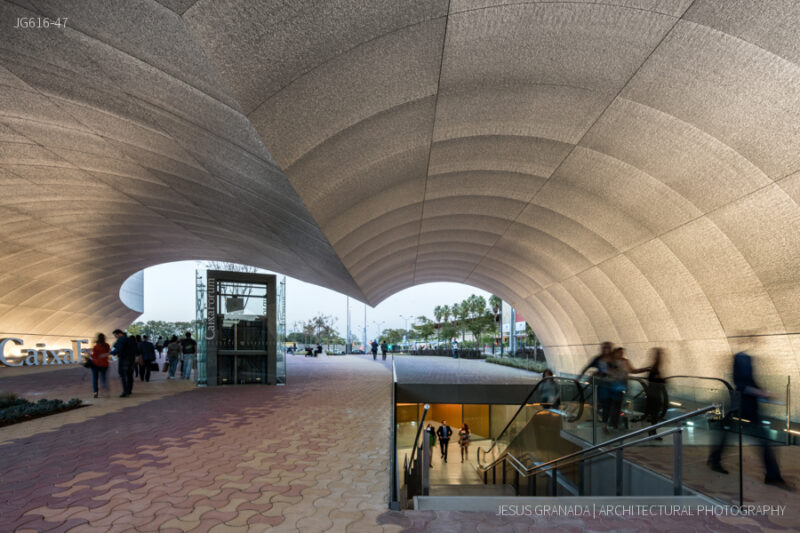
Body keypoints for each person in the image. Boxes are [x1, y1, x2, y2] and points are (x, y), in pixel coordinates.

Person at [708, 348, 791, 489]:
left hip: (748, 407)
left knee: (730, 434)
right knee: (760, 440)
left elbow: (751, 383)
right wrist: (761, 393)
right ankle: (772, 475)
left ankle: (715, 459)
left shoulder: (746, 358)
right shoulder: (740, 358)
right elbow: (741, 385)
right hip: (742, 407)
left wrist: (763, 393)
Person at [644, 348, 667, 439]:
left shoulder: (655, 367)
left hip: (654, 394)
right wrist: (662, 380)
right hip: (654, 394)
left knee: (655, 414)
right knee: (655, 414)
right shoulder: (654, 368)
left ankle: (653, 431)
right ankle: (652, 431)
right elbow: (654, 380)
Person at [111, 329, 137, 397]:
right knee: (130, 375)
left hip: (124, 359)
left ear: (119, 334)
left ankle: (125, 392)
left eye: (115, 335)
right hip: (131, 359)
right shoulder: (131, 340)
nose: (115, 337)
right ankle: (129, 390)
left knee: (123, 375)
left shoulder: (121, 339)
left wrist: (110, 353)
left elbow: (119, 349)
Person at [88, 333, 110, 398]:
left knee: (95, 379)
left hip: (95, 364)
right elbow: (108, 352)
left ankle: (95, 392)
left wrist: (89, 354)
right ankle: (105, 389)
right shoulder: (107, 345)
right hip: (104, 364)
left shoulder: (96, 347)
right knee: (103, 378)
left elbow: (94, 356)